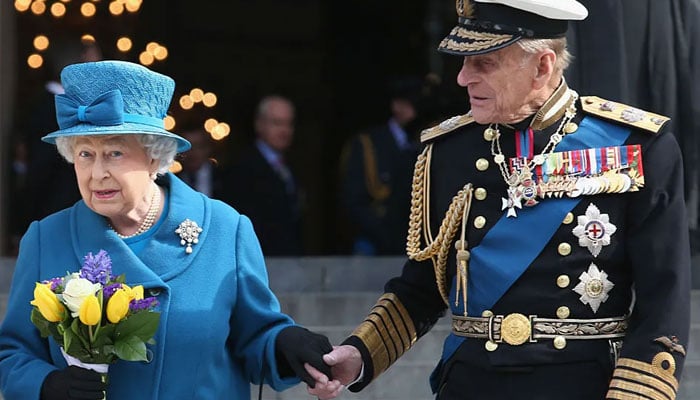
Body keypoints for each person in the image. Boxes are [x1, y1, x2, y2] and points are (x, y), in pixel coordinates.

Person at [308, 1, 691, 399]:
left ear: (542, 66)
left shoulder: (636, 146)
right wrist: (360, 353)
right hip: (469, 384)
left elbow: (663, 302)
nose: (462, 78)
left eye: (484, 63)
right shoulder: (448, 151)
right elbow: (421, 289)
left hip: (580, 385)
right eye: (463, 62)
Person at [0, 60, 333, 399]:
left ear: (153, 157)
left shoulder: (225, 229)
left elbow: (256, 339)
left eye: (114, 153)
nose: (96, 173)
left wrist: (284, 343)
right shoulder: (46, 239)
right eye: (85, 154)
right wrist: (46, 384)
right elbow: (11, 355)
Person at [339, 77, 422, 255]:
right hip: (375, 240)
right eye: (411, 105)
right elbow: (355, 201)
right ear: (397, 105)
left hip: (415, 242)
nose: (416, 113)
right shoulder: (369, 144)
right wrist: (386, 237)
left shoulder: (423, 144)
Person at [223, 95, 304, 256]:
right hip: (257, 258)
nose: (284, 130)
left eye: (289, 124)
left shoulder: (292, 166)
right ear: (259, 124)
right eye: (277, 123)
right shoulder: (242, 168)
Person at [175, 125, 226, 199]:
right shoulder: (171, 182)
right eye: (187, 148)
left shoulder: (226, 179)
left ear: (208, 148)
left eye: (198, 146)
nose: (192, 153)